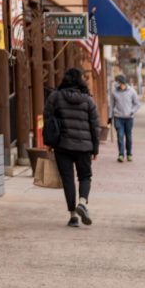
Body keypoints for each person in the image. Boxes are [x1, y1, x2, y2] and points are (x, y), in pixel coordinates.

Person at [45, 67, 101, 227]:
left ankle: (73, 216)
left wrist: (48, 143)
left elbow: (48, 120)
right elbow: (95, 126)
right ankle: (82, 203)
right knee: (84, 176)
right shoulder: (88, 100)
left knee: (68, 180)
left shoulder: (55, 97)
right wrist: (95, 148)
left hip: (62, 145)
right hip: (84, 146)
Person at [109, 74, 142, 161]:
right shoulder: (114, 92)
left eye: (117, 82)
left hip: (129, 118)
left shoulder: (132, 91)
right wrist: (110, 117)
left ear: (122, 82)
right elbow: (111, 105)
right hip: (118, 117)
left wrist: (132, 111)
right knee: (120, 135)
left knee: (128, 136)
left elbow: (137, 104)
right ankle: (121, 154)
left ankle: (129, 153)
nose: (116, 84)